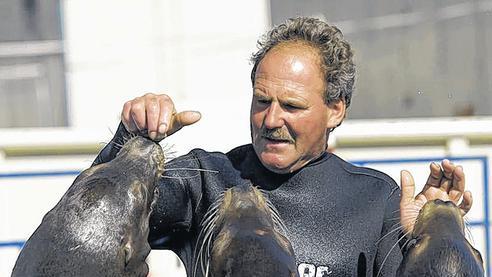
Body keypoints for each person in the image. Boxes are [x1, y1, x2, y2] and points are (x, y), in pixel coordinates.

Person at [93, 17, 472, 276]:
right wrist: (128, 142)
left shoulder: (376, 198)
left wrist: (425, 239)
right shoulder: (204, 180)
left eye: (291, 106)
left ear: (335, 110)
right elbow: (92, 222)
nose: (271, 120)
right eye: (262, 101)